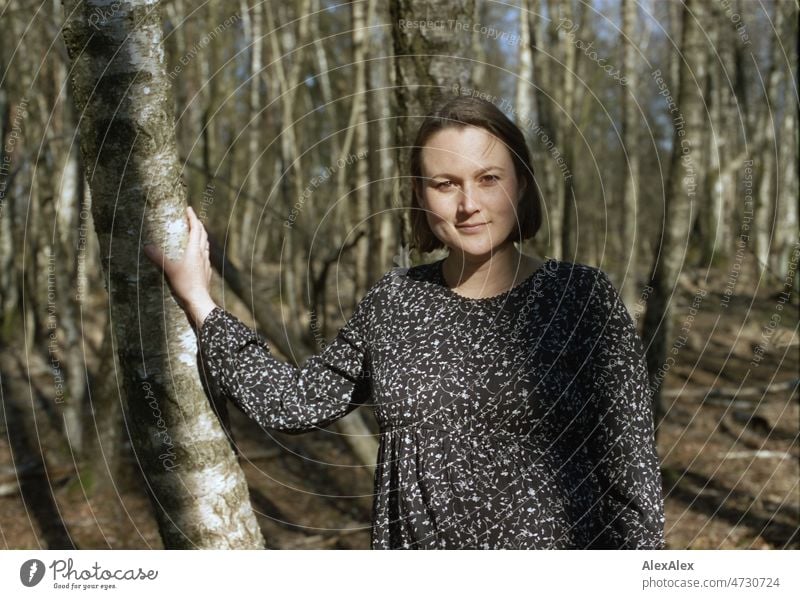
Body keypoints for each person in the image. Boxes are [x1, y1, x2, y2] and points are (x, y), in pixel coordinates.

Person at [143, 95, 666, 549]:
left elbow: (631, 474)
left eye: (488, 179)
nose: (468, 205)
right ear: (421, 195)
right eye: (445, 184)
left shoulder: (581, 298)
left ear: (522, 186)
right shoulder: (395, 301)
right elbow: (294, 401)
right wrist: (198, 300)